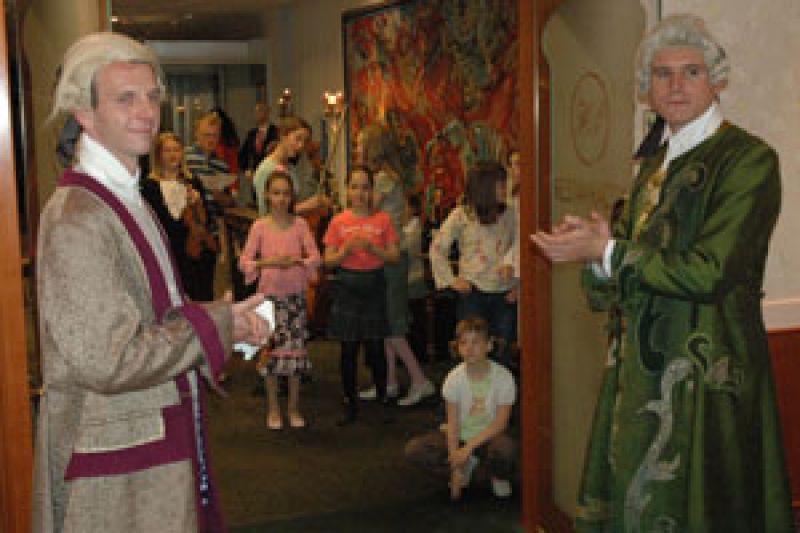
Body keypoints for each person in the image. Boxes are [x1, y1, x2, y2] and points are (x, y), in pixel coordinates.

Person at [531, 14, 793, 532]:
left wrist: (610, 250)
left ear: (716, 80)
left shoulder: (748, 161)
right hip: (641, 372)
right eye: (662, 74)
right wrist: (597, 254)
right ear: (646, 88)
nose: (676, 86)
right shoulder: (654, 166)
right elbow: (624, 284)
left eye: (691, 72)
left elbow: (709, 273)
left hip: (706, 375)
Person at [32, 32, 270, 532]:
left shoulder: (124, 198)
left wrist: (225, 322)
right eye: (125, 98)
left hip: (142, 442)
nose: (146, 111)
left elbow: (153, 315)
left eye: (152, 96)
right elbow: (109, 358)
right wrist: (213, 325)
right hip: (113, 464)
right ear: (84, 113)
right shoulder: (78, 217)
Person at [355, 123, 434, 406]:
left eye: (360, 144)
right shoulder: (384, 177)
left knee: (393, 326)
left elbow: (365, 209)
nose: (357, 149)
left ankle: (420, 380)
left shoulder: (385, 179)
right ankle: (388, 382)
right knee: (385, 324)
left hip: (391, 258)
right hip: (384, 256)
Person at [239, 171, 321, 430]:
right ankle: (273, 408)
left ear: (292, 196)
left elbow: (315, 258)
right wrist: (268, 262)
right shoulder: (259, 227)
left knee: (295, 356)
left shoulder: (300, 225)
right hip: (269, 300)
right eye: (276, 193)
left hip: (295, 300)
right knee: (271, 357)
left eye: (286, 193)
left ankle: (293, 407)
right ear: (267, 195)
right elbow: (244, 262)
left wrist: (297, 261)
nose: (281, 198)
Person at [404, 318, 516, 501]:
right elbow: (453, 423)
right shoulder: (454, 379)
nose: (469, 348)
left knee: (506, 449)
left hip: (489, 437)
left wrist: (468, 449)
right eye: (464, 343)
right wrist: (455, 468)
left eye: (475, 342)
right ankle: (466, 466)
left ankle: (495, 474)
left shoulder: (504, 378)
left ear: (489, 345)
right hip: (462, 436)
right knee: (416, 450)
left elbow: (501, 423)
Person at [323, 165, 399, 425]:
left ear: (372, 191)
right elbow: (328, 260)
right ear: (347, 190)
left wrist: (373, 249)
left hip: (374, 284)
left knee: (376, 347)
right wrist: (344, 251)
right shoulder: (338, 221)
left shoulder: (383, 220)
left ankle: (382, 397)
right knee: (348, 348)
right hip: (347, 285)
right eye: (354, 187)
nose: (359, 193)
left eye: (365, 187)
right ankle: (349, 402)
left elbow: (394, 256)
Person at [430, 160, 517, 368]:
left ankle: (499, 389)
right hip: (473, 293)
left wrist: (518, 282)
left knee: (501, 352)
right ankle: (472, 388)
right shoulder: (463, 215)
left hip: (504, 294)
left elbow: (520, 245)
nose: (505, 189)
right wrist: (451, 280)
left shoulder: (511, 213)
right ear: (486, 187)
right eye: (501, 184)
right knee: (472, 350)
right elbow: (437, 248)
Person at [142, 132, 219, 302]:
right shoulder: (150, 186)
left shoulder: (193, 181)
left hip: (196, 251)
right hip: (170, 251)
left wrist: (198, 203)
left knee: (203, 299)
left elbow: (207, 218)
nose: (173, 155)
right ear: (158, 155)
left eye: (176, 150)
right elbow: (158, 222)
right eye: (167, 150)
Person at [252, 116, 331, 217]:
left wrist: (315, 208)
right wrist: (308, 205)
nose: (301, 145)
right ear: (283, 136)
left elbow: (291, 208)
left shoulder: (291, 168)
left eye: (305, 141)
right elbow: (267, 214)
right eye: (298, 139)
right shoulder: (266, 170)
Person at [239, 102, 278, 179]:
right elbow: (243, 154)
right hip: (256, 173)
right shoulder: (252, 133)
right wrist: (246, 169)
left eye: (261, 110)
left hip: (272, 172)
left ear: (268, 113)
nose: (258, 114)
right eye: (256, 111)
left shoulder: (276, 131)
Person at [210, 106, 241, 176]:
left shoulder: (229, 139)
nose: (214, 122)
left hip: (227, 176)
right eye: (212, 120)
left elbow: (233, 165)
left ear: (222, 120)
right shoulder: (209, 139)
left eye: (216, 119)